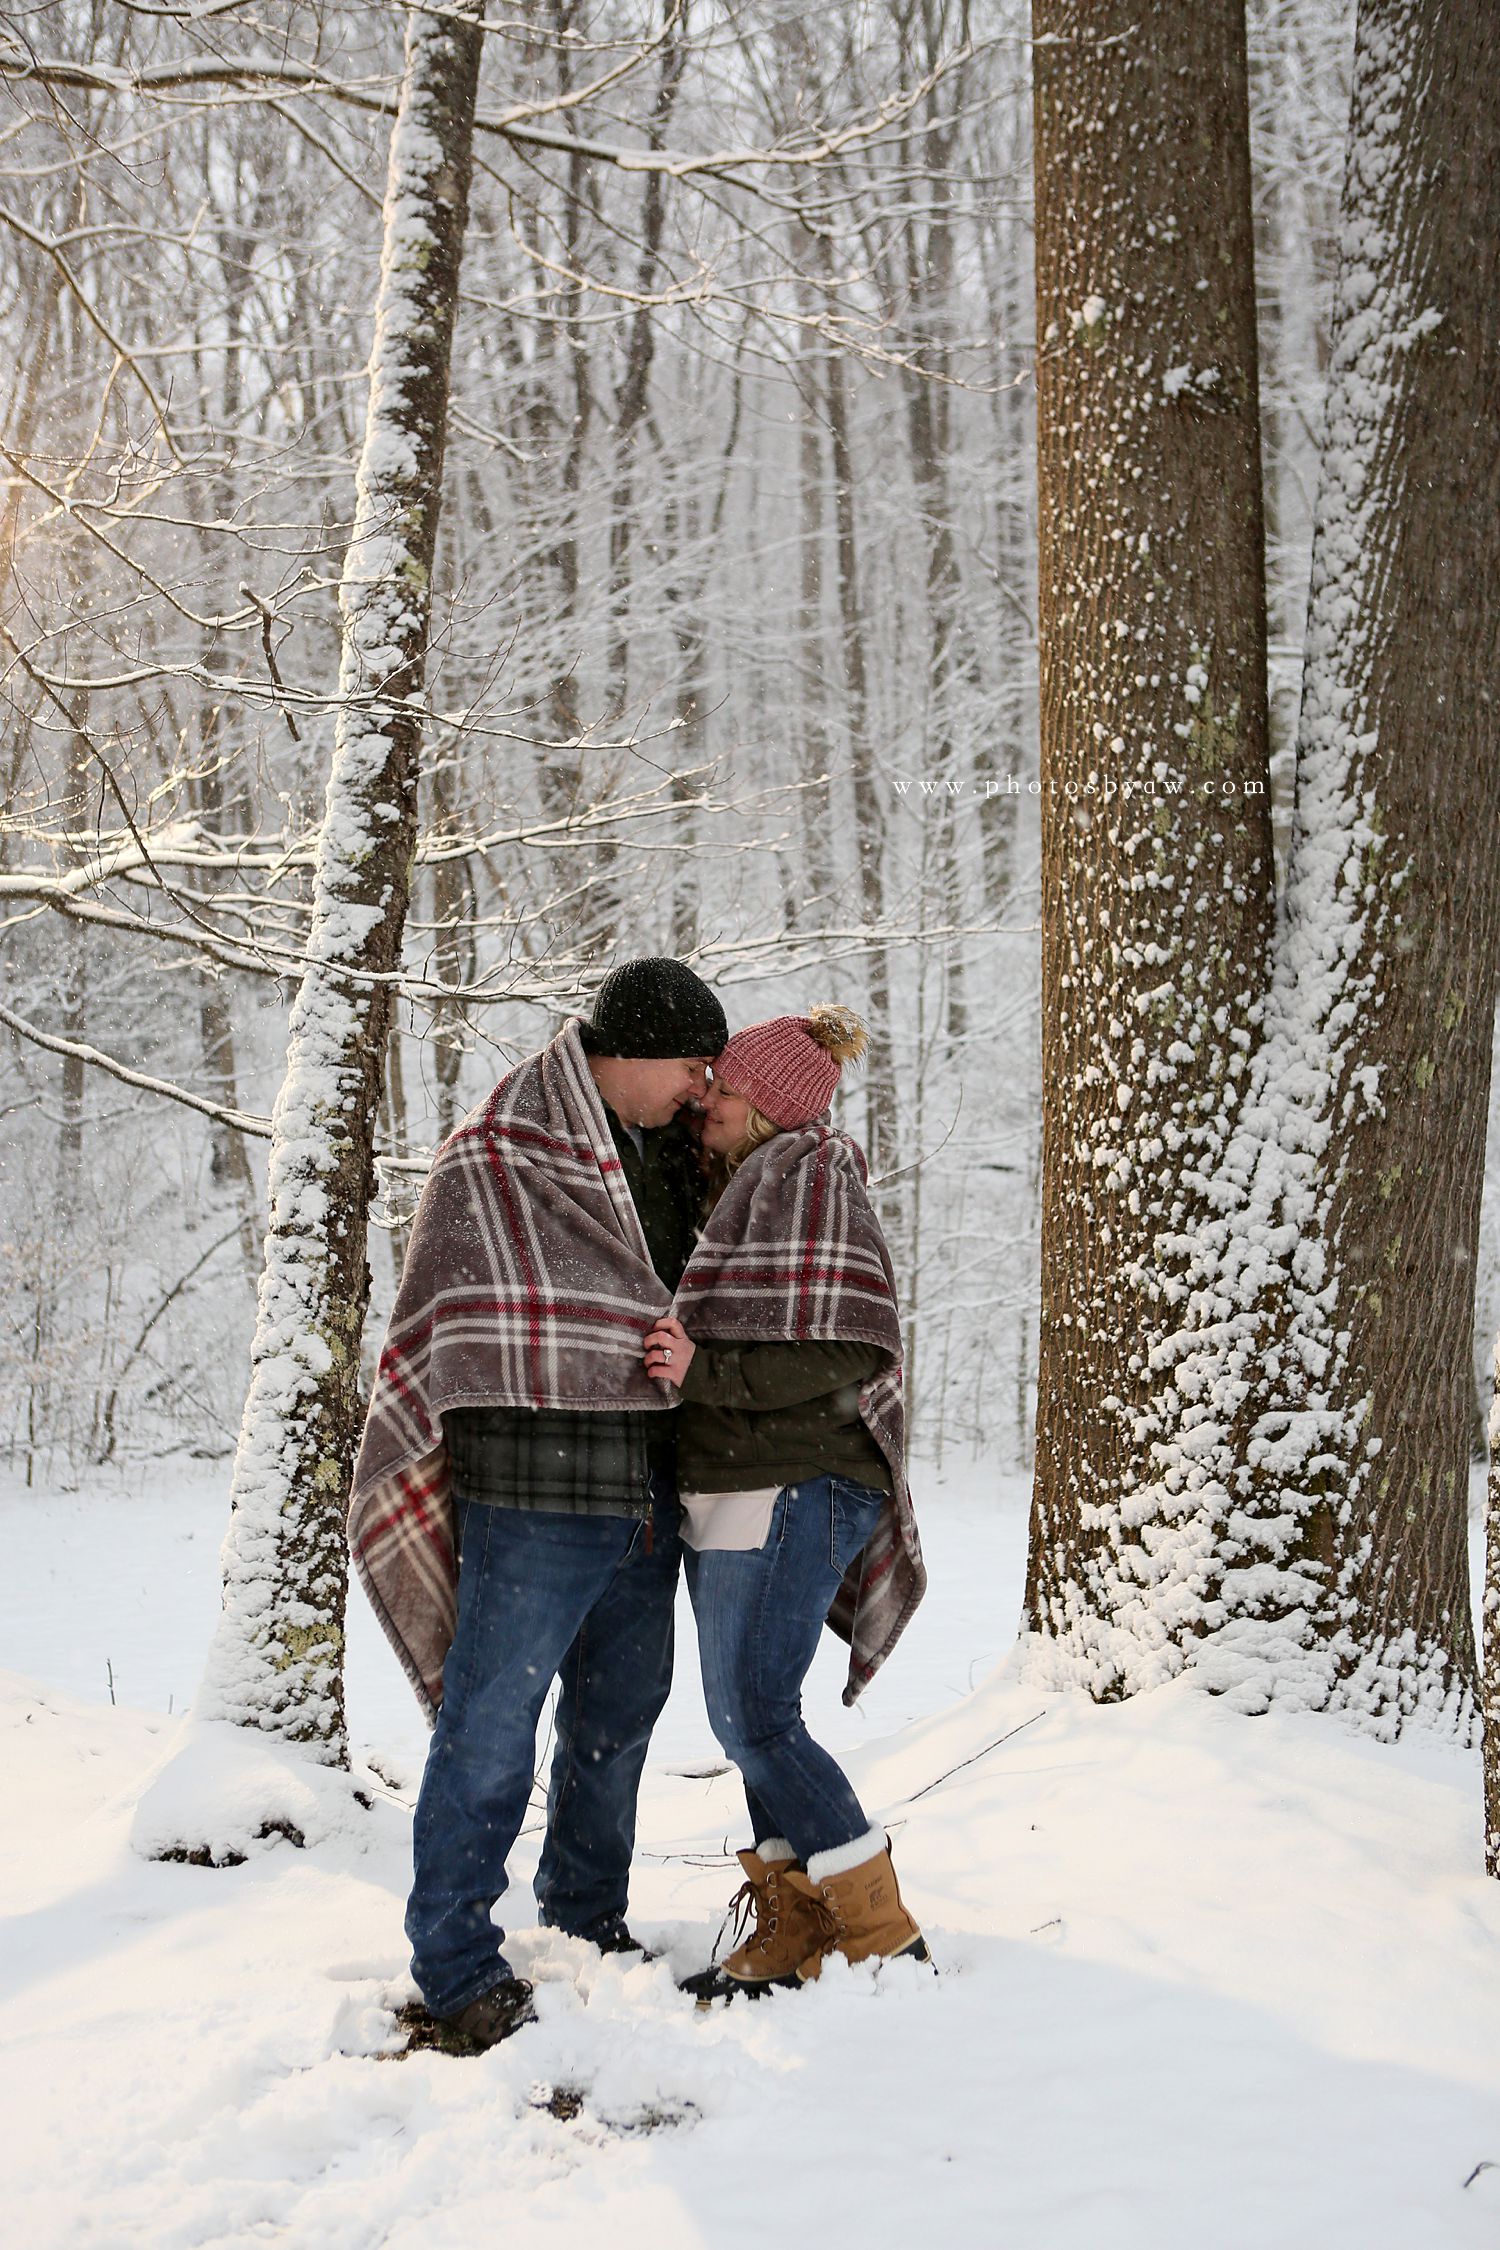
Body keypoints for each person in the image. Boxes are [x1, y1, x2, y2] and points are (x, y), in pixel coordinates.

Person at [348, 957, 726, 2050]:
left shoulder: (667, 1159)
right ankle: (457, 1964)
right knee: (489, 1726)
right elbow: (457, 1316)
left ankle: (584, 1916)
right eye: (693, 1066)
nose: (701, 1087)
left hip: (642, 1491)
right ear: (636, 1049)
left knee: (618, 1718)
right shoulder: (499, 1149)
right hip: (530, 1495)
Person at [643, 1006, 929, 2003]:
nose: (704, 1100)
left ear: (764, 1104)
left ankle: (879, 1932)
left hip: (798, 1481)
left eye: (721, 1086)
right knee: (745, 1717)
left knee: (754, 1715)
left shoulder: (813, 1179)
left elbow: (850, 1348)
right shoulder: (745, 1189)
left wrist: (702, 1370)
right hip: (737, 1486)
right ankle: (792, 1920)